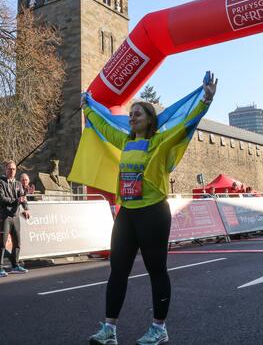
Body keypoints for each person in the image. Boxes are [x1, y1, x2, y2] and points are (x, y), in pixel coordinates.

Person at [85, 72, 217, 345]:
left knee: (156, 270)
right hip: (128, 214)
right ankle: (109, 329)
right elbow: (103, 124)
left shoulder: (160, 141)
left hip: (153, 213)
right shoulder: (125, 141)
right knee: (117, 270)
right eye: (130, 114)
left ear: (150, 120)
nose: (132, 117)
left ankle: (159, 328)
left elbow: (188, 124)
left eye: (138, 114)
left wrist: (205, 99)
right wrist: (87, 106)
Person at [0, 161, 31, 277]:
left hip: (15, 216)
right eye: (9, 169)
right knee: (3, 242)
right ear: (5, 169)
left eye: (14, 169)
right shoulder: (0, 182)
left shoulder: (18, 183)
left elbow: (22, 197)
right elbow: (2, 199)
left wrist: (26, 208)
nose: (12, 171)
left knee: (17, 242)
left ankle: (15, 265)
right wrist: (16, 201)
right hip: (5, 216)